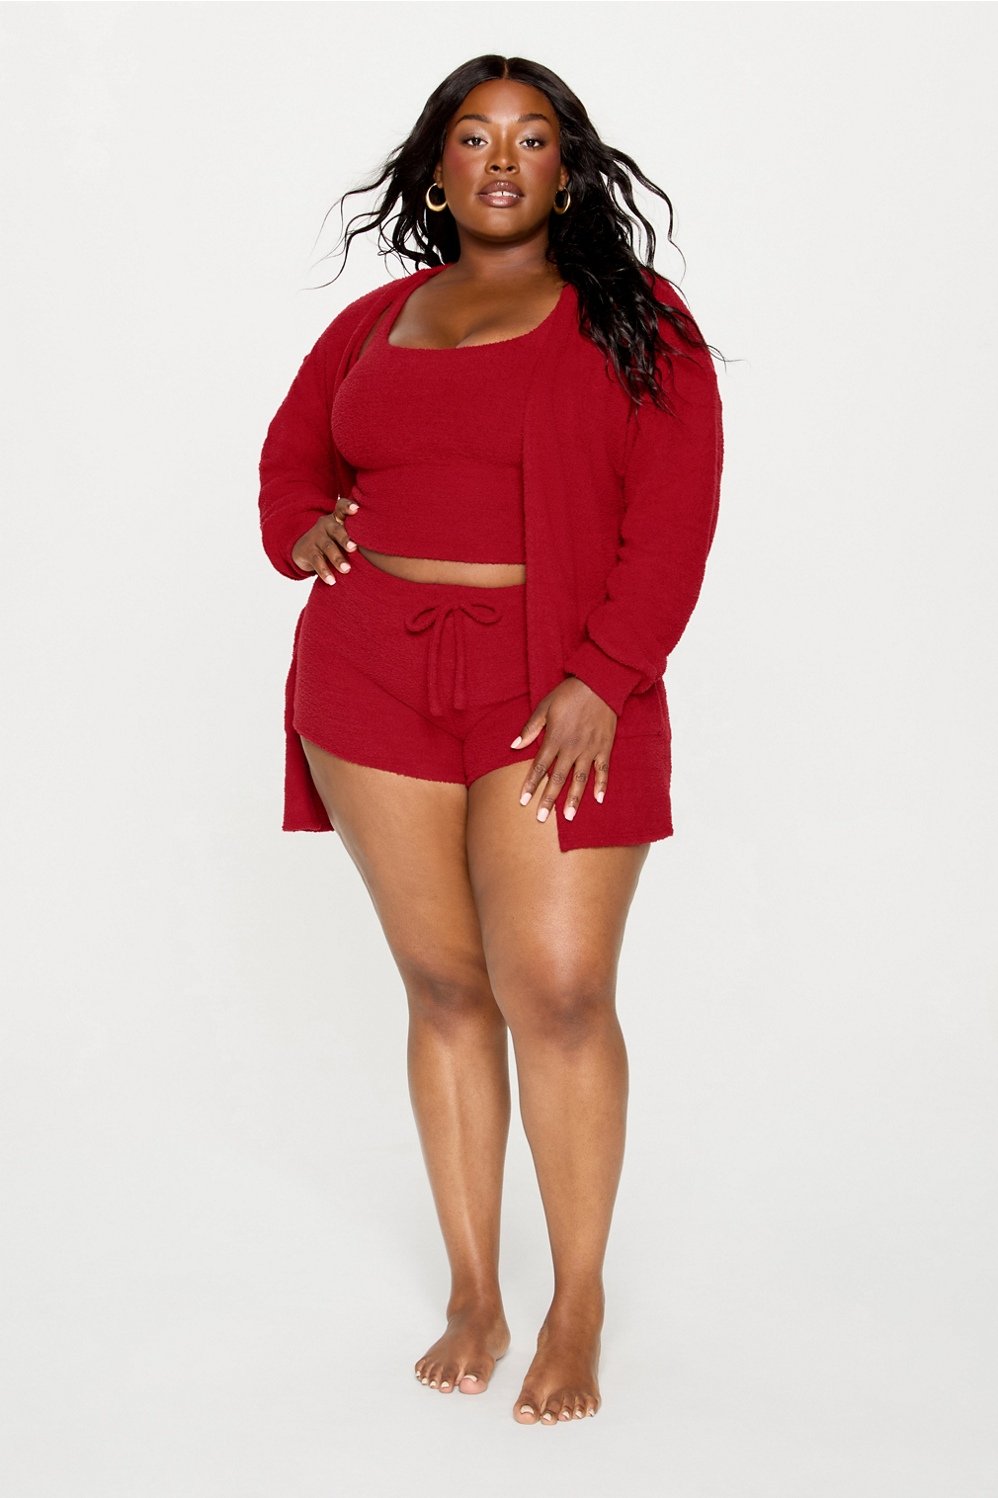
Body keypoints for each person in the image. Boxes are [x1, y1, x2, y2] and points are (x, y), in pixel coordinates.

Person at [258, 55, 725, 1427]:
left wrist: (604, 675)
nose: (502, 159)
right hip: (370, 677)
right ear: (438, 168)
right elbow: (292, 458)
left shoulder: (633, 318)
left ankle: (576, 1301)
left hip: (552, 685)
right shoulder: (372, 322)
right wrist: (301, 528)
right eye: (473, 137)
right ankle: (476, 1291)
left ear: (566, 170)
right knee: (445, 987)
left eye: (530, 138)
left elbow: (676, 514)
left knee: (560, 992)